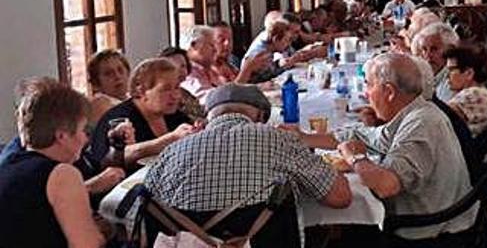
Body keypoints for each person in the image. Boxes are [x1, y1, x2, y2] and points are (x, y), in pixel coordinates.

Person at [144, 85, 351, 246]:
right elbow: (340, 197)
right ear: (261, 116)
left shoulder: (172, 150)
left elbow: (145, 207)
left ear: (209, 116)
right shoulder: (276, 138)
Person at [300, 53, 477, 242]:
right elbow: (365, 136)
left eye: (368, 84)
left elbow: (386, 186)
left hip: (430, 230)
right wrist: (304, 138)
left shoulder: (422, 124)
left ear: (389, 92)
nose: (365, 94)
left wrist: (356, 158)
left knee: (335, 233)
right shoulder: (416, 111)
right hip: (433, 215)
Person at [0, 81, 108, 247]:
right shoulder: (62, 174)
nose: (85, 139)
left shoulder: (8, 166)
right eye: (82, 130)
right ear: (62, 136)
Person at [87, 58, 196, 171]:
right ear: (141, 91)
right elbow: (108, 163)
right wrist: (170, 138)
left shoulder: (175, 115)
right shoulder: (118, 119)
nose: (175, 95)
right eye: (166, 89)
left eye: (177, 87)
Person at [444, 46, 487, 136]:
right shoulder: (481, 91)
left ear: (469, 73)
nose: (447, 76)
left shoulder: (472, 95)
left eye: (451, 70)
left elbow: (439, 117)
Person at [411, 22, 460, 101]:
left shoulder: (454, 80)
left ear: (450, 50)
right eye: (424, 49)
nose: (428, 55)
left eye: (434, 49)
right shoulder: (425, 74)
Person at [159, 46, 207, 122]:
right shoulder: (162, 96)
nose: (180, 71)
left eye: (183, 66)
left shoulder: (186, 93)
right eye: (173, 66)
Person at [86, 49, 131, 125]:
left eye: (120, 70)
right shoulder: (100, 103)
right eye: (108, 73)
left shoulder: (131, 98)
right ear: (96, 84)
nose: (117, 76)